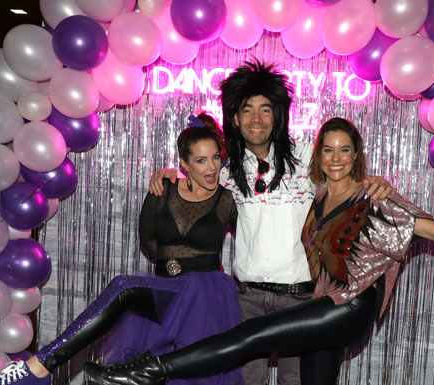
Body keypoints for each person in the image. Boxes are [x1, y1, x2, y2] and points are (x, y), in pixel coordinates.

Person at [83, 117, 434, 385]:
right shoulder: (318, 197)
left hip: (347, 307)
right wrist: (171, 173)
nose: (336, 157)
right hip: (326, 307)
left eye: (345, 150)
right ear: (317, 157)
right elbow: (207, 180)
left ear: (357, 153)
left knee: (252, 338)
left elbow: (430, 229)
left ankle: (143, 372)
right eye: (328, 150)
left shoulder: (373, 196)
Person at [149, 61, 393, 385]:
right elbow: (190, 186)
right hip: (246, 299)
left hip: (301, 301)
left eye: (266, 109)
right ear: (234, 118)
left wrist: (377, 183)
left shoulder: (309, 158)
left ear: (278, 114)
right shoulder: (222, 171)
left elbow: (346, 180)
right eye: (247, 110)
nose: (256, 119)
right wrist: (167, 175)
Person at [0, 115, 244, 385]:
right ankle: (38, 369)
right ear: (184, 164)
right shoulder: (163, 188)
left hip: (206, 297)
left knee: (127, 289)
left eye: (215, 158)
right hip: (167, 290)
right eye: (201, 160)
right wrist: (172, 264)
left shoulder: (227, 199)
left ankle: (39, 368)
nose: (211, 168)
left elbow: (249, 234)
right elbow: (147, 238)